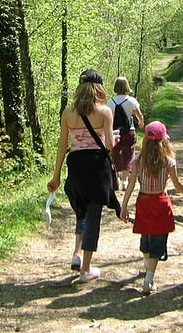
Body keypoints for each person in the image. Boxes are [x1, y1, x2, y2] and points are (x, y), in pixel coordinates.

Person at [47, 69, 121, 283]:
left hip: (76, 166)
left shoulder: (68, 113)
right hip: (97, 166)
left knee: (81, 211)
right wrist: (114, 139)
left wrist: (56, 176)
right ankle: (85, 269)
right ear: (99, 88)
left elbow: (63, 147)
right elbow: (108, 145)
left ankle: (77, 253)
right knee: (93, 215)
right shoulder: (105, 111)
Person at [120, 120, 183, 294]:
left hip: (143, 201)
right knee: (158, 239)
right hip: (160, 202)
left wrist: (124, 206)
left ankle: (148, 266)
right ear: (164, 141)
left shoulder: (138, 160)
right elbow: (178, 187)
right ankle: (149, 278)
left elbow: (131, 184)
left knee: (146, 236)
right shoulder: (169, 161)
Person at [107, 76, 144, 190]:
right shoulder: (131, 100)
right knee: (129, 153)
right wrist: (141, 122)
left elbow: (108, 117)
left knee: (116, 153)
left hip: (115, 131)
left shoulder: (110, 101)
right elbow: (139, 115)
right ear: (127, 86)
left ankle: (116, 178)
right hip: (129, 130)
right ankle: (125, 181)